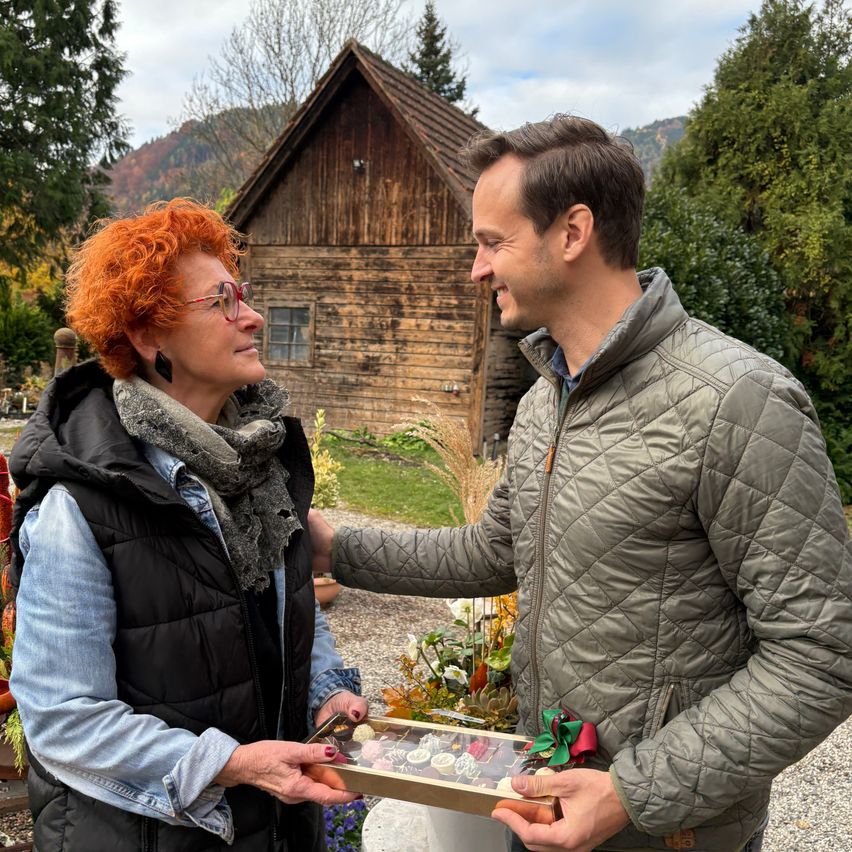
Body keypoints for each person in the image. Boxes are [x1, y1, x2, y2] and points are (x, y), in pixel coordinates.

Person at [309, 115, 852, 852]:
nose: (477, 268)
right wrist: (335, 546)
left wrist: (635, 793)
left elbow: (822, 655)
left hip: (666, 832)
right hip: (546, 795)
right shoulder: (545, 400)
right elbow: (493, 551)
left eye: (492, 242)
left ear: (572, 233)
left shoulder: (738, 401)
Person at [9, 199, 366, 851]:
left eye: (245, 295)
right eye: (224, 301)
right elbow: (63, 720)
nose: (252, 316)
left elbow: (284, 612)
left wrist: (323, 695)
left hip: (278, 828)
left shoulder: (260, 465)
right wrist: (232, 765)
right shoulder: (81, 507)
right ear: (150, 337)